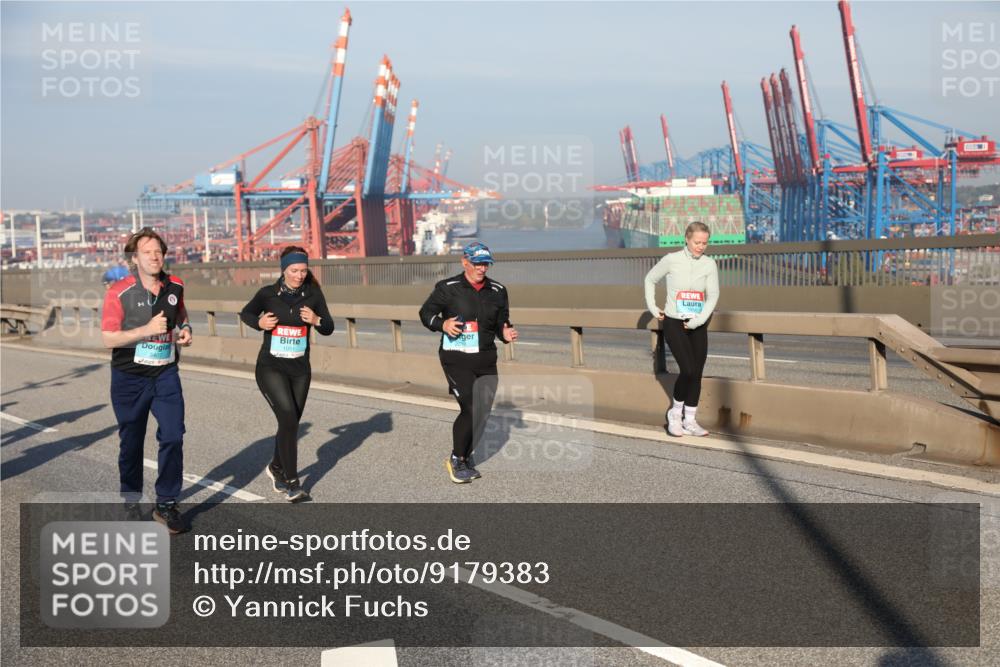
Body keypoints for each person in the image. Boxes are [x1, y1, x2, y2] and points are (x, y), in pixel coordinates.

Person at [100, 228, 193, 533]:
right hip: (129, 378)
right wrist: (146, 330)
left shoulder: (175, 284)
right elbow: (108, 338)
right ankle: (130, 499)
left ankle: (166, 503)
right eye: (147, 252)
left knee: (173, 435)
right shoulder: (119, 291)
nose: (154, 257)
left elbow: (180, 314)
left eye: (158, 252)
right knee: (131, 443)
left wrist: (186, 329)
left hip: (165, 373)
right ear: (134, 258)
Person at [419, 241, 518, 483]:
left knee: (483, 412)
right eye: (477, 263)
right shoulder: (447, 288)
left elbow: (502, 323)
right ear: (465, 262)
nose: (482, 268)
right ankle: (457, 459)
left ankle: (464, 457)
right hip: (456, 358)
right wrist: (442, 324)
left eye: (486, 264)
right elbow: (425, 313)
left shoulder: (498, 290)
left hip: (486, 359)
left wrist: (505, 333)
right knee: (471, 408)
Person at [240, 246, 334, 502]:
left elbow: (329, 326)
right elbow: (246, 313)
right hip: (271, 367)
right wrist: (259, 323)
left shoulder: (313, 295)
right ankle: (292, 483)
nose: (299, 275)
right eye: (294, 270)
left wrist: (316, 320)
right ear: (284, 270)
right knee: (289, 418)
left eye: (303, 270)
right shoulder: (268, 294)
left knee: (289, 422)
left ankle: (276, 467)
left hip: (300, 371)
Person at [643, 221, 719, 438]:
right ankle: (675, 415)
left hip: (698, 323)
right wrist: (652, 307)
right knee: (687, 370)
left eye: (704, 243)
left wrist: (698, 321)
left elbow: (713, 295)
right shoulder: (671, 259)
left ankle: (690, 421)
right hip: (674, 322)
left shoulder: (709, 264)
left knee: (697, 373)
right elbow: (650, 279)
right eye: (697, 242)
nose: (701, 247)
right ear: (687, 239)